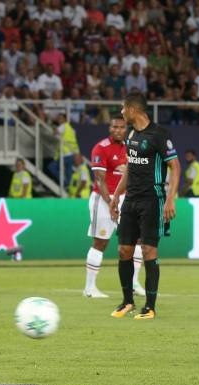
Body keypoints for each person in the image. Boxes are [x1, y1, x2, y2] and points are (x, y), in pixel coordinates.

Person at [110, 92, 180, 320]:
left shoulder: (160, 135)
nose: (122, 112)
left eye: (123, 108)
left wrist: (170, 198)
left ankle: (150, 306)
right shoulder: (131, 134)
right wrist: (115, 197)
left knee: (149, 251)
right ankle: (127, 301)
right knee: (124, 250)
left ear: (133, 109)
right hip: (131, 200)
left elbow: (175, 166)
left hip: (153, 200)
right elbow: (129, 169)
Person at [84, 115, 145, 298]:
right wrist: (111, 202)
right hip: (103, 200)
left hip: (126, 198)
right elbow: (100, 180)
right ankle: (90, 288)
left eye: (121, 127)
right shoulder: (101, 148)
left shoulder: (131, 147)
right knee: (101, 242)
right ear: (109, 129)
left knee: (138, 241)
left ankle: (134, 283)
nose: (117, 130)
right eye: (114, 127)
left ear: (126, 129)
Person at [48, 114, 79, 188]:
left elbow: (55, 132)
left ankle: (65, 182)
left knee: (52, 167)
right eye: (58, 119)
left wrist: (53, 126)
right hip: (71, 153)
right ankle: (68, 184)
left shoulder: (63, 126)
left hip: (65, 154)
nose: (59, 120)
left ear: (65, 119)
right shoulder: (71, 129)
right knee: (68, 172)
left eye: (61, 118)